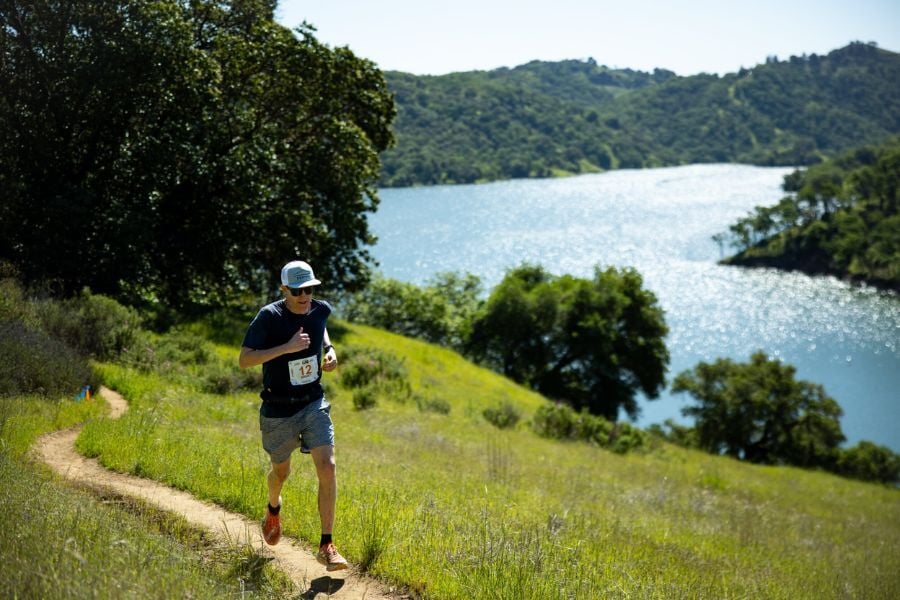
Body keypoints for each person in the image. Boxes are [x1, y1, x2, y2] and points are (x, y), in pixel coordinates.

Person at [238, 260, 348, 571]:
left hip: (313, 402)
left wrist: (330, 350)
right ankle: (273, 507)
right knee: (281, 473)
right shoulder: (269, 317)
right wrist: (285, 348)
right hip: (278, 409)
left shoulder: (319, 309)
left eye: (310, 289)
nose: (304, 296)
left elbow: (320, 325)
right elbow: (244, 360)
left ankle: (327, 544)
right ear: (284, 289)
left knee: (327, 466)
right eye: (297, 290)